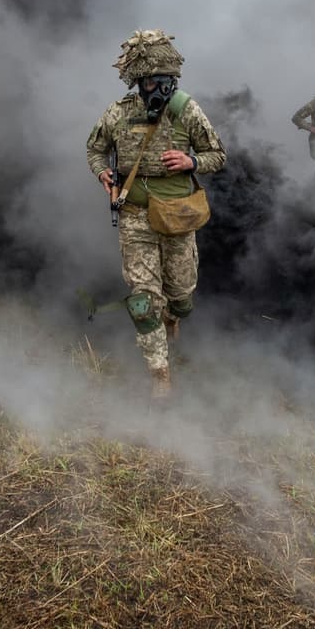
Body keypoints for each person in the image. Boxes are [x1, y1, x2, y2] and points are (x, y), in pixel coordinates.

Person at [86, 30, 227, 399]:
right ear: (139, 81)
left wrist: (191, 161)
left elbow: (217, 155)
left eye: (165, 81)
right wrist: (102, 172)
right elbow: (95, 149)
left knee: (181, 295)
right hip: (135, 215)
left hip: (178, 214)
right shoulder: (119, 112)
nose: (158, 88)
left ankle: (174, 316)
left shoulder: (186, 110)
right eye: (151, 82)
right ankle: (160, 376)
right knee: (144, 299)